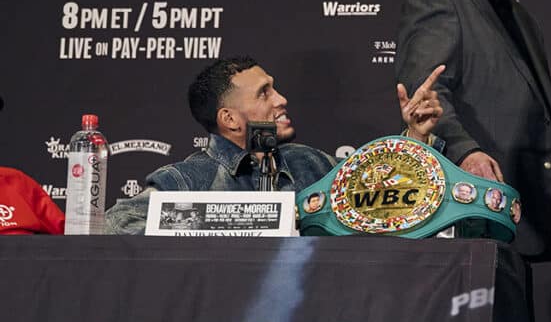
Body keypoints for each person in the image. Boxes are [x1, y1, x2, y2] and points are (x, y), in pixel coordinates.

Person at [396, 0, 551, 262]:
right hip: (479, 214)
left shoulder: (525, 19)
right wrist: (466, 151)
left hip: (538, 221)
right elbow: (428, 95)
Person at [106, 57, 443, 234]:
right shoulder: (184, 181)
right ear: (231, 120)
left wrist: (415, 135)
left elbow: (386, 201)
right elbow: (114, 228)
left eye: (274, 88)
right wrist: (245, 222)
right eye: (264, 93)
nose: (281, 99)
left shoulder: (311, 164)